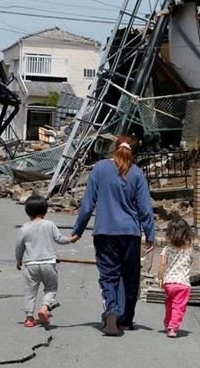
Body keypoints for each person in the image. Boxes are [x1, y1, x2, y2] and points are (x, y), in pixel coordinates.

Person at [71, 136, 155, 336]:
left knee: (109, 276)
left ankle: (111, 311)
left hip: (104, 232)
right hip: (130, 233)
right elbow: (145, 208)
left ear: (114, 148)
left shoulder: (99, 168)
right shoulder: (136, 173)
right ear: (134, 153)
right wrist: (150, 234)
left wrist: (78, 230)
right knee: (130, 278)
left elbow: (87, 205)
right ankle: (125, 320)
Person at [15, 195, 78, 327]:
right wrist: (71, 239)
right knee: (50, 288)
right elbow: (59, 239)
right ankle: (44, 307)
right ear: (45, 210)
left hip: (30, 265)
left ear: (27, 211)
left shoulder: (24, 228)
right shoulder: (49, 225)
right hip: (48, 263)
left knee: (30, 291)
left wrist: (18, 260)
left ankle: (29, 318)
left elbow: (19, 247)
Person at [158, 218, 193, 338]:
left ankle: (167, 323)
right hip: (183, 283)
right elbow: (190, 262)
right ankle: (173, 327)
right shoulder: (189, 249)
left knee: (169, 304)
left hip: (169, 282)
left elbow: (162, 264)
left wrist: (160, 278)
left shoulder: (166, 249)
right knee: (178, 306)